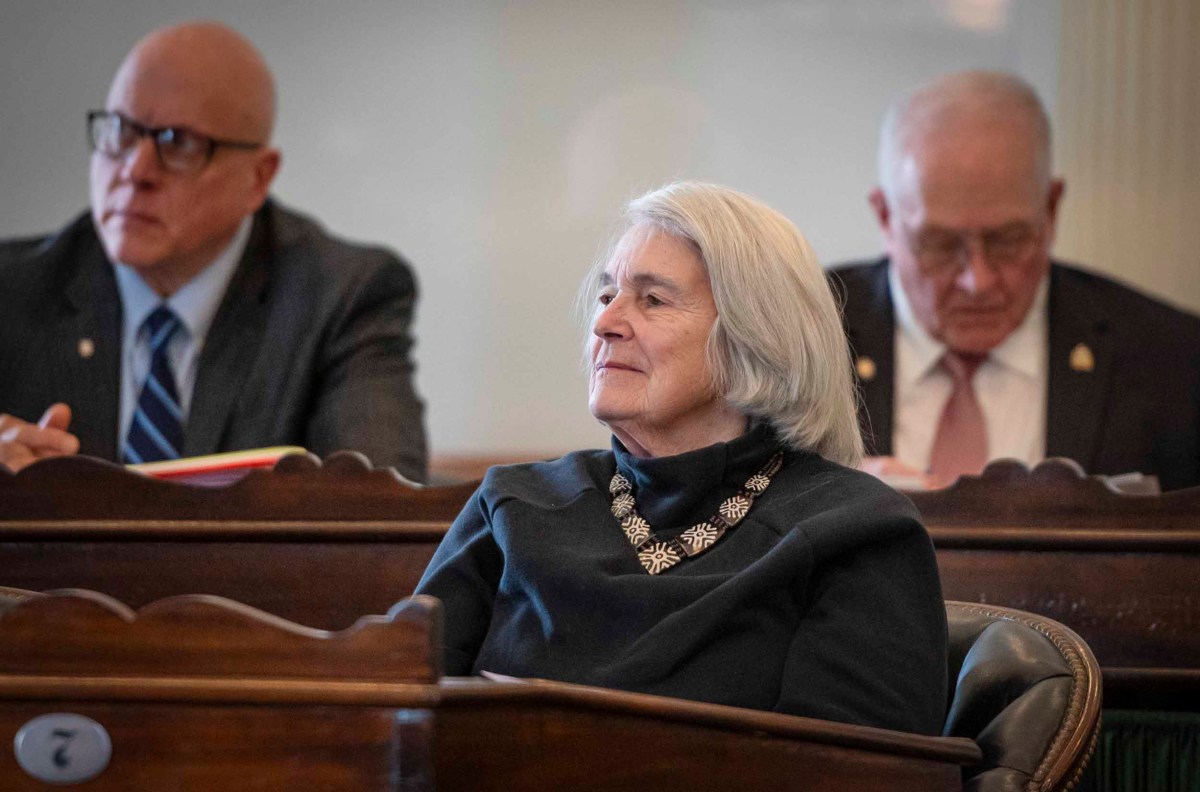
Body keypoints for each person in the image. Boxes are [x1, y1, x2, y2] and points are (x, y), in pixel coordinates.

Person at [415, 182, 947, 735]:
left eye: (652, 300)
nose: (605, 323)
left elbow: (862, 773)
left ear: (754, 336)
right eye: (606, 296)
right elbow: (390, 711)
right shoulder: (515, 505)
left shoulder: (856, 530)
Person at [0, 22, 428, 481]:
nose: (135, 170)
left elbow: (379, 517)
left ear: (258, 178)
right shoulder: (13, 291)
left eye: (177, 142)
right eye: (122, 131)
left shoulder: (340, 297)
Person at [830, 71, 1200, 490]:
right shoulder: (790, 341)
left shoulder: (1174, 364)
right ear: (885, 218)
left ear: (1052, 210)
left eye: (1008, 240)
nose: (978, 281)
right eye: (940, 244)